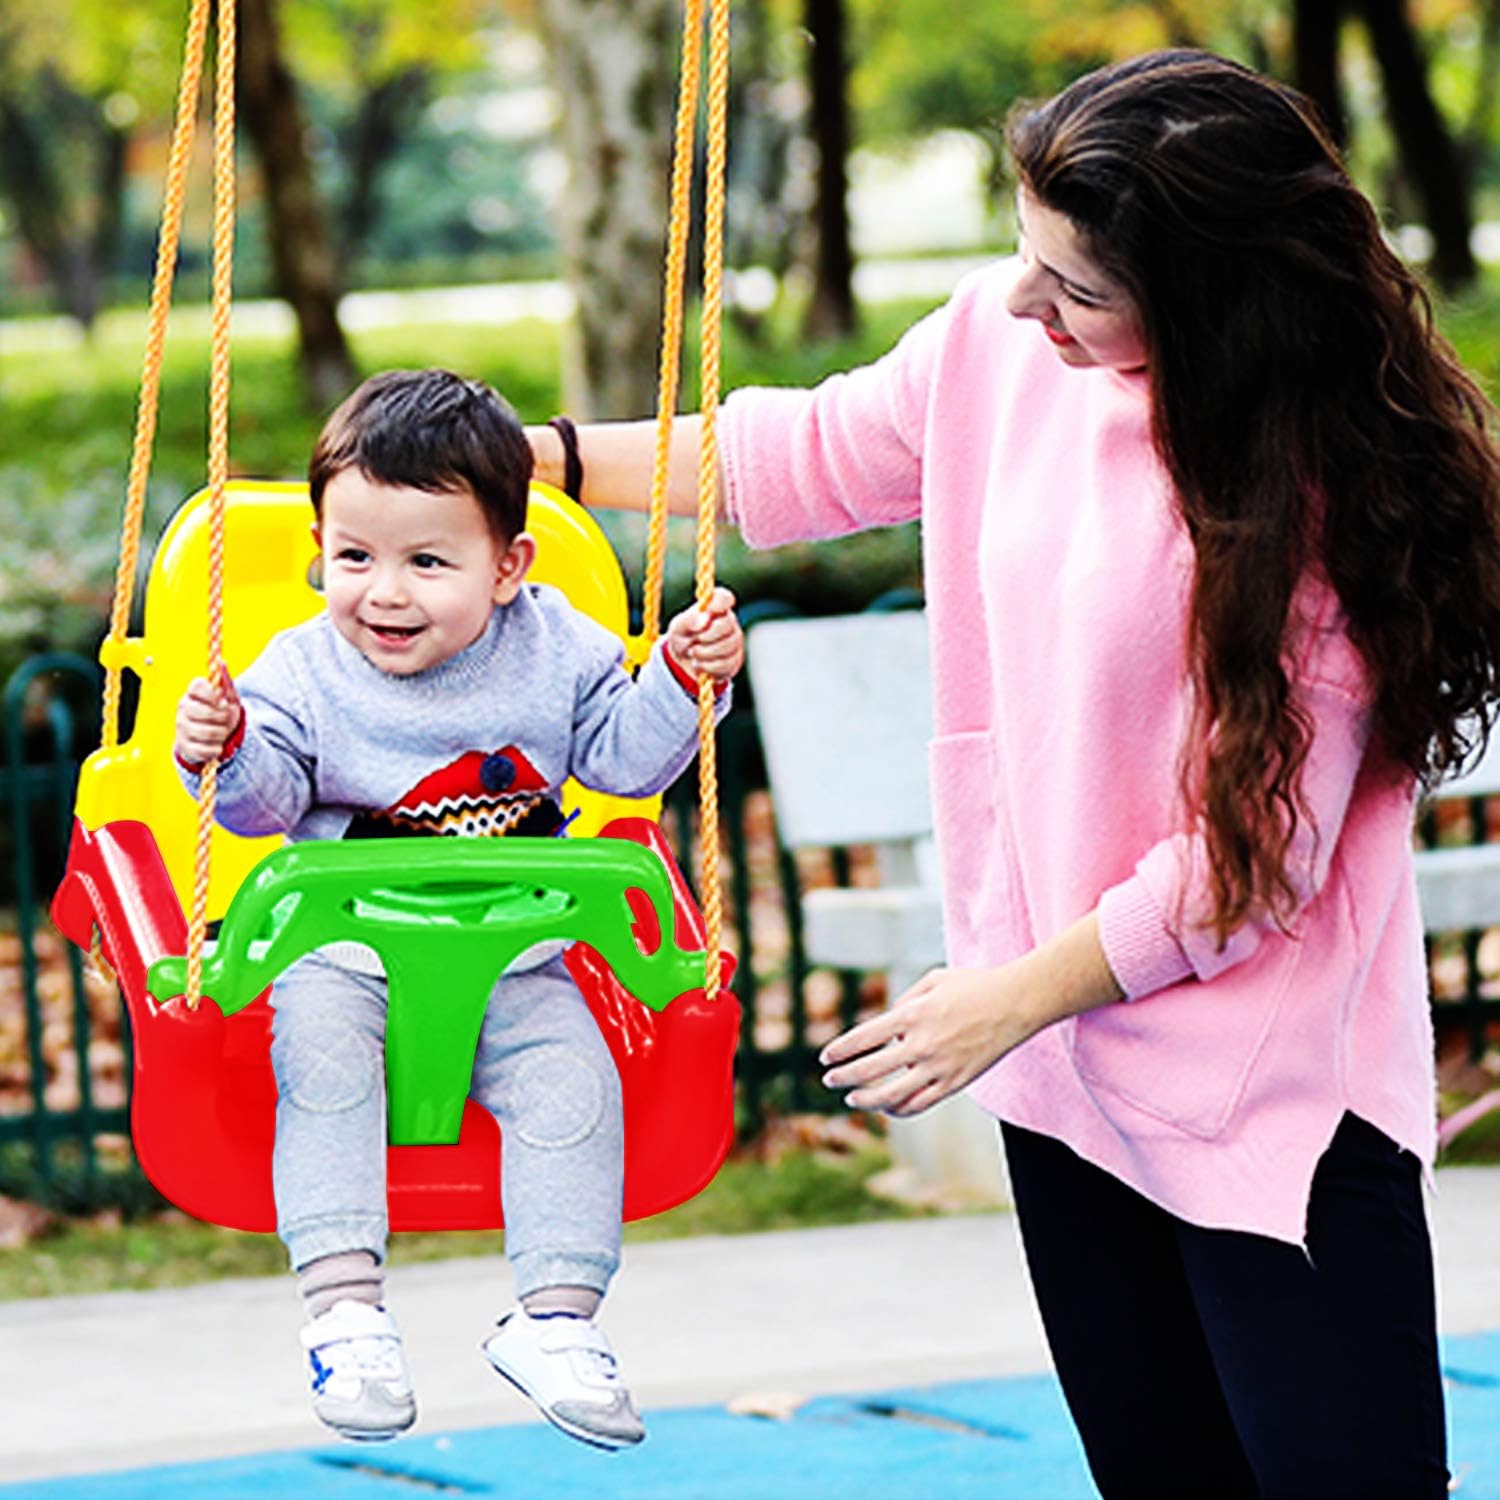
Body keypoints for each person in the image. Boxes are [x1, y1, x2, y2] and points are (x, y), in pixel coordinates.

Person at [526, 50, 1500, 1498]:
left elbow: (1253, 865)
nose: (1026, 301)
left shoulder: (1324, 498)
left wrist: (1005, 998)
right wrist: (525, 458)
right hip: (1063, 1068)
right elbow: (811, 451)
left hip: (1270, 1102)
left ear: (1211, 300)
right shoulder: (1002, 341)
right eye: (1026, 253)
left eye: (1081, 287)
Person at [173, 368, 743, 1450]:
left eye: (428, 562)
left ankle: (556, 1321)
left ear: (508, 565)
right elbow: (261, 810)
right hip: (342, 953)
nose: (383, 593)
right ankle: (344, 1309)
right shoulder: (299, 667)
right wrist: (227, 746)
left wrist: (677, 676)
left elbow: (625, 764)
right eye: (353, 557)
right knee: (326, 1075)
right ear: (320, 550)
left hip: (521, 955)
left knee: (574, 1091)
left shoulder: (561, 647)